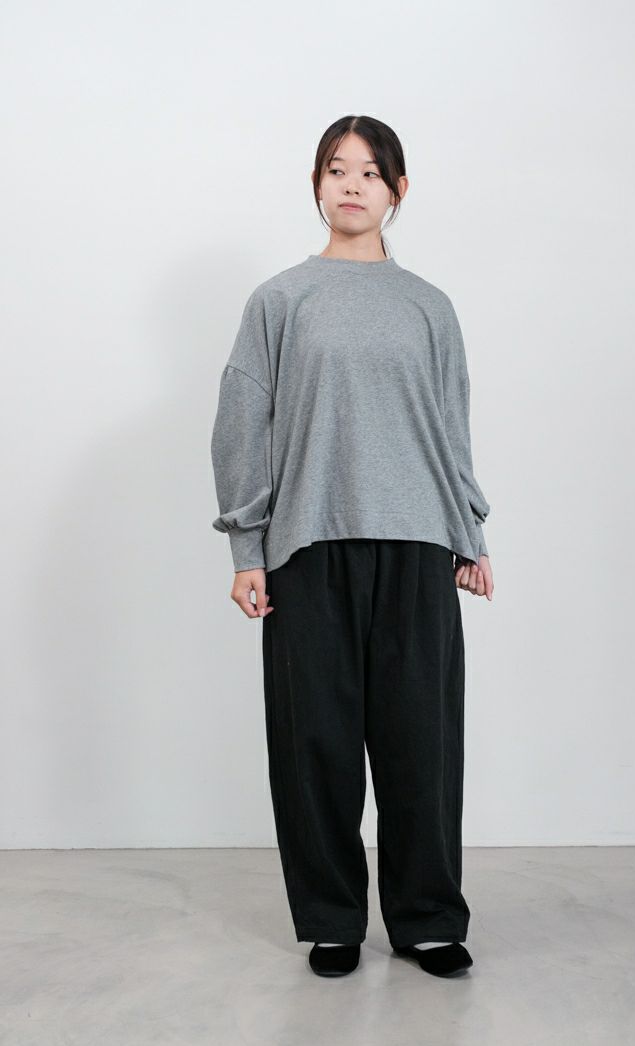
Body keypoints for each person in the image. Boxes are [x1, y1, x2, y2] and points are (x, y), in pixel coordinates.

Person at [210, 115, 494, 979]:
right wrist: (247, 548)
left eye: (371, 172)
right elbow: (241, 423)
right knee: (316, 744)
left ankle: (427, 919)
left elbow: (449, 426)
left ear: (398, 191)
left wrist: (469, 531)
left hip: (416, 543)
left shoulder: (429, 306)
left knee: (421, 743)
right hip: (306, 544)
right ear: (317, 185)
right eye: (337, 169)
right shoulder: (280, 300)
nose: (352, 185)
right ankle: (332, 919)